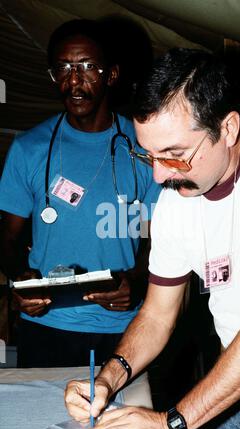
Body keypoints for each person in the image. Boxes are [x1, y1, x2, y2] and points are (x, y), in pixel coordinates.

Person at [64, 48, 240, 429]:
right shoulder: (176, 199)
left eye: (174, 156)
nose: (158, 175)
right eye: (148, 155)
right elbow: (157, 315)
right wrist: (109, 377)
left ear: (227, 128)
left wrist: (170, 424)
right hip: (234, 399)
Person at [0, 19, 161, 368]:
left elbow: (156, 237)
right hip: (46, 326)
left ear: (112, 75)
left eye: (88, 67)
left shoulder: (146, 147)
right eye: (63, 68)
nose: (74, 80)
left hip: (125, 328)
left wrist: (136, 280)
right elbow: (7, 238)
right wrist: (20, 279)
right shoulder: (29, 149)